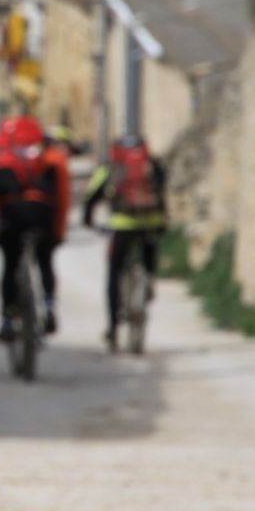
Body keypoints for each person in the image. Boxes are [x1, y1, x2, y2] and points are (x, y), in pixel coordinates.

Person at [0, 115, 72, 342]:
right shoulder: (52, 160)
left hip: (12, 221)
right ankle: (49, 307)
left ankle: (7, 319)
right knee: (45, 262)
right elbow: (62, 199)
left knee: (10, 267)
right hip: (42, 218)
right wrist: (59, 233)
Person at [84, 135, 168, 351]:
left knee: (114, 272)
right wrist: (162, 222)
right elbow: (162, 190)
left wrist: (88, 220)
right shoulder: (152, 164)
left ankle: (113, 328)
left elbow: (92, 196)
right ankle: (148, 280)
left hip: (122, 225)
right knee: (149, 249)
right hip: (150, 222)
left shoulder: (112, 167)